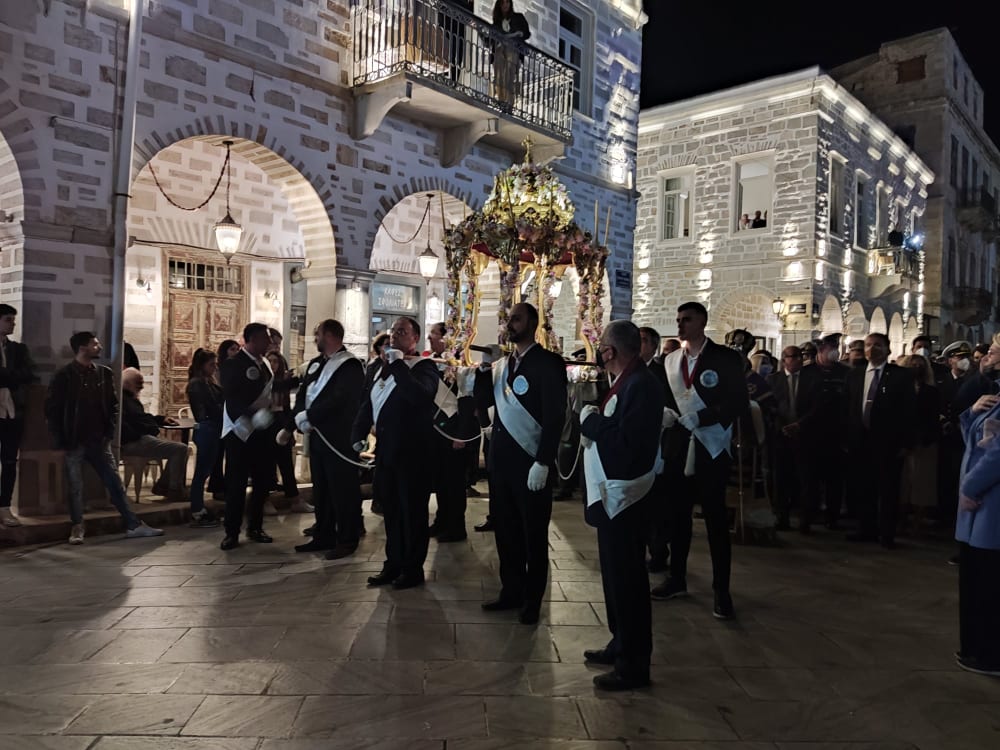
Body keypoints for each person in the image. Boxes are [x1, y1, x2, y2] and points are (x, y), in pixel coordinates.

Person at [580, 320, 664, 690]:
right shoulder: (627, 380)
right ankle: (620, 643)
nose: (599, 351)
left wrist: (591, 423)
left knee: (628, 581)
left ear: (610, 351)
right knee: (615, 577)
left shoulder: (640, 384)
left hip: (626, 497)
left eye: (601, 345)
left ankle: (633, 664)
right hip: (613, 495)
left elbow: (627, 442)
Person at [651, 302, 747, 620]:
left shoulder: (725, 358)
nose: (680, 325)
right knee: (677, 517)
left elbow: (737, 401)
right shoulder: (670, 360)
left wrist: (703, 417)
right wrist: (665, 412)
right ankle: (676, 578)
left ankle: (722, 590)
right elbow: (665, 396)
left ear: (702, 322)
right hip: (679, 446)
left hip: (710, 446)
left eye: (687, 319)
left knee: (715, 520)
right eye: (678, 320)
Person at [475, 302, 567, 625]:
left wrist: (543, 461)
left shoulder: (549, 363)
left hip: (531, 466)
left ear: (532, 323)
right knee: (506, 533)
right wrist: (483, 370)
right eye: (508, 319)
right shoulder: (501, 366)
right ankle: (510, 590)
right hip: (501, 464)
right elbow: (483, 403)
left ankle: (532, 599)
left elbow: (555, 416)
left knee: (533, 536)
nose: (510, 324)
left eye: (516, 319)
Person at [45, 331, 163, 544]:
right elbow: (52, 410)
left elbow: (113, 405)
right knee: (75, 486)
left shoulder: (104, 374)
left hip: (98, 440)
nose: (99, 347)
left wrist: (109, 433)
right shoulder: (64, 376)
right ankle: (77, 526)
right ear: (83, 348)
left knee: (114, 483)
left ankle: (133, 524)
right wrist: (59, 440)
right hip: (74, 440)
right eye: (95, 344)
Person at [352, 316, 439, 589]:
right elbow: (369, 402)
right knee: (391, 511)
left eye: (402, 331)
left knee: (412, 513)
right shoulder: (380, 367)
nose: (394, 335)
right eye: (393, 331)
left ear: (415, 339)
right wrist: (357, 434)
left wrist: (399, 364)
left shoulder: (424, 367)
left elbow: (420, 396)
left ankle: (412, 569)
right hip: (386, 452)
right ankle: (393, 563)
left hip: (413, 454)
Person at [293, 319, 365, 559]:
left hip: (339, 438)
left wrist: (310, 416)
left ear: (331, 336)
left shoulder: (350, 366)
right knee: (321, 489)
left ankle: (347, 539)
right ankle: (323, 535)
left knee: (343, 491)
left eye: (318, 334)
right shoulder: (317, 363)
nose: (315, 338)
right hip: (317, 436)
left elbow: (339, 399)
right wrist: (299, 417)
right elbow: (304, 393)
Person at [845, 333, 915, 548]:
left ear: (887, 349)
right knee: (863, 487)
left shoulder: (900, 376)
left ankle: (886, 533)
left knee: (888, 489)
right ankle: (866, 529)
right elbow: (848, 406)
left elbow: (909, 411)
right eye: (868, 345)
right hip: (861, 440)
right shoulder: (855, 374)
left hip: (888, 442)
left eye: (877, 345)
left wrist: (906, 443)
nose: (871, 349)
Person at [953, 372, 1000, 676]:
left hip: (990, 504)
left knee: (989, 584)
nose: (990, 356)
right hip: (981, 504)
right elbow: (976, 440)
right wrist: (972, 412)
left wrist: (969, 487)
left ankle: (990, 655)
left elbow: (997, 455)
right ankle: (976, 648)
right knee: (976, 580)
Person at [219, 323, 276, 550]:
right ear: (251, 339)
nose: (269, 343)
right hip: (239, 431)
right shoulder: (233, 363)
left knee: (261, 482)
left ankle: (255, 527)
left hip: (261, 432)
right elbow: (232, 397)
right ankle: (231, 532)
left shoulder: (265, 364)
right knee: (236, 484)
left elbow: (269, 390)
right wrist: (254, 413)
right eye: (265, 338)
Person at [427, 322, 478, 543]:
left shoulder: (459, 363)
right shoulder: (430, 362)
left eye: (434, 334)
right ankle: (442, 520)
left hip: (455, 431)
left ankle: (456, 526)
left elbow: (466, 400)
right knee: (440, 481)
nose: (429, 338)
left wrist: (462, 434)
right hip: (437, 431)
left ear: (445, 338)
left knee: (454, 483)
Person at [768, 345, 819, 531]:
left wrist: (800, 425)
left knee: (806, 479)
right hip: (780, 436)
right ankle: (782, 517)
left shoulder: (812, 379)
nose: (798, 359)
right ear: (784, 360)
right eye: (793, 356)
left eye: (800, 356)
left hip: (804, 435)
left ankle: (805, 519)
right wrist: (782, 425)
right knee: (781, 478)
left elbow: (817, 407)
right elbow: (769, 405)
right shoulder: (773, 380)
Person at [119, 368, 189, 501]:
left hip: (141, 438)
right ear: (128, 384)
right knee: (180, 449)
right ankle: (173, 490)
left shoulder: (131, 399)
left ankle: (164, 487)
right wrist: (146, 430)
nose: (141, 387)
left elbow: (142, 417)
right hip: (133, 442)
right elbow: (128, 426)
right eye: (138, 383)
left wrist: (161, 419)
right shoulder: (122, 400)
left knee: (182, 449)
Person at [0, 304, 38, 527]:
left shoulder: (18, 350)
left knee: (9, 460)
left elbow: (30, 374)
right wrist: (12, 376)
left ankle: (4, 507)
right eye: (8, 319)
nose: (12, 324)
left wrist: (6, 376)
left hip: (13, 411)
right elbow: (17, 376)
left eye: (13, 320)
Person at [896, 354, 941, 535]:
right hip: (901, 444)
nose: (916, 368)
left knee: (923, 485)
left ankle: (917, 522)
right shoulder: (897, 390)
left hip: (925, 444)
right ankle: (900, 520)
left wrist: (924, 438)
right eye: (912, 364)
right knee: (902, 485)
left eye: (920, 365)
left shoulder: (931, 391)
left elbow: (933, 418)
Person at [639, 326, 670, 573]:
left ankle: (659, 551)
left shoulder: (661, 373)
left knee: (657, 504)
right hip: (635, 445)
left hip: (658, 443)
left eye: (641, 340)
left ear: (653, 346)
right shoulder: (629, 370)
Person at [186, 348, 224, 527]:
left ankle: (199, 508)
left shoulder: (208, 382)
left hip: (213, 428)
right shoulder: (197, 384)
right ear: (202, 365)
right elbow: (211, 406)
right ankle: (197, 510)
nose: (214, 367)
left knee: (205, 470)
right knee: (201, 472)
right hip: (207, 428)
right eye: (211, 364)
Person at [264, 349, 305, 513]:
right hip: (266, 423)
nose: (273, 364)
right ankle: (265, 500)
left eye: (275, 361)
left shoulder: (282, 382)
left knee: (286, 462)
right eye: (270, 361)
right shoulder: (264, 381)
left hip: (280, 421)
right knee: (267, 464)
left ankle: (294, 499)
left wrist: (290, 428)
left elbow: (287, 408)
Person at [491, 0, 530, 110]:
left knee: (509, 74)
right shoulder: (496, 23)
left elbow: (526, 33)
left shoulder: (518, 17)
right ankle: (500, 100)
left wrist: (520, 34)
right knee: (499, 74)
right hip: (499, 48)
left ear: (510, 4)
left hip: (513, 48)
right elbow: (489, 40)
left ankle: (508, 103)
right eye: (503, 3)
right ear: (499, 5)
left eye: (507, 2)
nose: (505, 5)